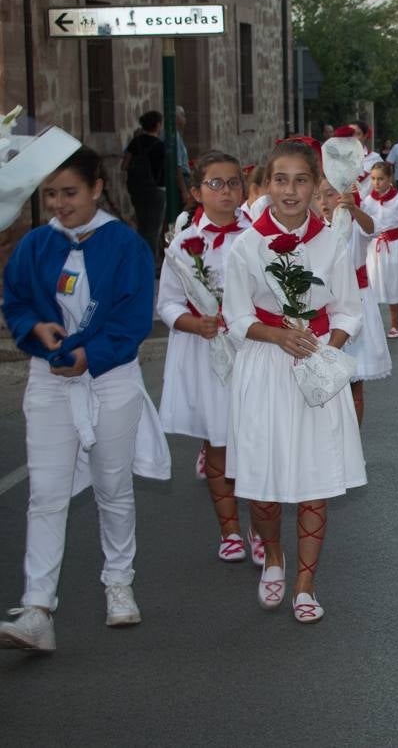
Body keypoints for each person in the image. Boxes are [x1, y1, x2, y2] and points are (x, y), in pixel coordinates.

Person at [0, 148, 168, 652]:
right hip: (50, 380)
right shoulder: (35, 245)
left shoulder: (126, 245)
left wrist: (88, 356)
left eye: (68, 192)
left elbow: (133, 318)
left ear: (96, 188)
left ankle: (119, 583)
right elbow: (16, 303)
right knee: (46, 494)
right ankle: (37, 608)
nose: (58, 203)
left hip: (109, 379)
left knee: (112, 488)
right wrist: (36, 330)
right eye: (49, 194)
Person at [223, 140, 364, 624]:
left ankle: (305, 582)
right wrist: (278, 336)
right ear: (266, 185)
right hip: (265, 364)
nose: (290, 190)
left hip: (315, 367)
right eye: (280, 180)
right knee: (263, 485)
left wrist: (329, 348)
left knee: (314, 479)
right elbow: (236, 316)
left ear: (314, 185)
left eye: (301, 180)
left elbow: (348, 308)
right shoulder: (247, 245)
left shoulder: (331, 241)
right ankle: (274, 555)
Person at [157, 152, 255, 564]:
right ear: (196, 192)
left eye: (234, 182)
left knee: (252, 442)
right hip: (205, 351)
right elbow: (167, 304)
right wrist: (193, 323)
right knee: (218, 440)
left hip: (251, 350)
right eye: (216, 184)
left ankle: (260, 525)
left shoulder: (258, 237)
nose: (227, 191)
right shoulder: (182, 245)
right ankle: (229, 528)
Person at [315, 176, 387, 424]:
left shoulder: (354, 225)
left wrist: (354, 208)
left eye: (330, 194)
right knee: (329, 382)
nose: (324, 202)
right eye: (318, 196)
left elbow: (374, 228)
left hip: (356, 303)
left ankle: (354, 446)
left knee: (355, 382)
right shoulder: (314, 230)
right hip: (326, 306)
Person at [362, 162, 398, 337]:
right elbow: (361, 223)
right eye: (373, 179)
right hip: (374, 248)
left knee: (393, 285)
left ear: (389, 179)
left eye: (380, 179)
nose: (376, 182)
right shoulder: (367, 201)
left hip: (394, 247)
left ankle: (395, 325)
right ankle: (374, 325)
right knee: (373, 284)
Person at [123, 110, 166, 261]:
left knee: (142, 226)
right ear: (158, 125)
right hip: (156, 190)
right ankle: (149, 261)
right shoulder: (161, 146)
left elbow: (124, 165)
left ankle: (139, 259)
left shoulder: (136, 142)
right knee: (153, 229)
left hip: (137, 189)